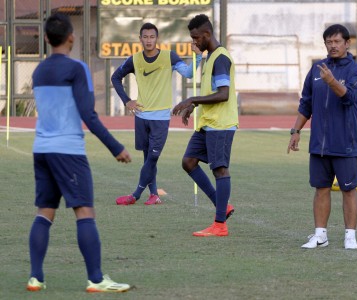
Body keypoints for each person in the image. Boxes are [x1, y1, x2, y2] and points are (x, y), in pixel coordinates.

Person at [27, 13, 132, 292]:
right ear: (71, 37)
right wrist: (116, 147)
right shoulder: (77, 68)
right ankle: (96, 279)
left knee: (44, 213)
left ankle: (35, 277)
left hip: (42, 149)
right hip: (68, 151)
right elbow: (88, 113)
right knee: (85, 211)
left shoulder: (38, 71)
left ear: (47, 39)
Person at [287, 24, 357, 250]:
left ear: (347, 43)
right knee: (320, 189)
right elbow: (306, 104)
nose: (333, 46)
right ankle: (320, 235)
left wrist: (332, 81)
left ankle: (350, 236)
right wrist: (296, 131)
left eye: (337, 42)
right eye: (329, 42)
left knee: (348, 190)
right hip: (319, 145)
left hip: (346, 144)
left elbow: (350, 98)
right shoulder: (316, 70)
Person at [112, 23, 202, 206]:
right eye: (145, 37)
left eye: (152, 37)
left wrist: (198, 56)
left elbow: (189, 73)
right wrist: (127, 101)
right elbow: (115, 77)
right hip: (141, 116)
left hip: (160, 118)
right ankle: (154, 195)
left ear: (157, 38)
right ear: (140, 39)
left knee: (153, 157)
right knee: (148, 159)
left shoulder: (169, 56)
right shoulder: (134, 60)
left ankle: (135, 194)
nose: (148, 40)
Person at [172, 14, 238, 237]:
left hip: (221, 124)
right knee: (189, 162)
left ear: (207, 34)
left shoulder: (220, 58)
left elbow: (223, 94)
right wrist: (194, 106)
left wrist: (192, 100)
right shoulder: (209, 57)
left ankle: (220, 225)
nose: (194, 43)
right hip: (208, 122)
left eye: (196, 38)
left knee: (220, 169)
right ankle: (223, 206)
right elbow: (213, 92)